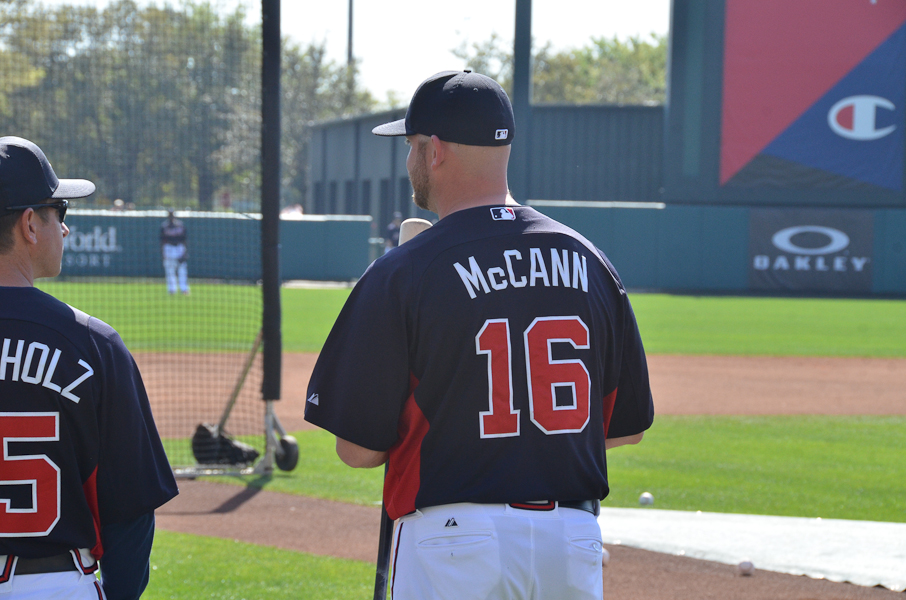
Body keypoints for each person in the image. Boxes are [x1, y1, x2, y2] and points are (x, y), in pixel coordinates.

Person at [304, 71, 655, 599]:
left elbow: (358, 450)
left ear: (435, 151)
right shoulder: (591, 262)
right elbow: (626, 429)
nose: (408, 163)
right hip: (572, 542)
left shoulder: (406, 271)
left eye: (410, 147)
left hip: (452, 546)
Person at [0, 136, 179, 599]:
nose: (64, 229)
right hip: (54, 585)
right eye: (61, 212)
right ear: (29, 225)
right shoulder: (94, 344)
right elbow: (130, 514)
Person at [160, 209, 189, 295]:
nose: (171, 216)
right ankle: (172, 289)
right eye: (170, 214)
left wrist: (185, 251)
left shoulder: (180, 225)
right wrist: (163, 253)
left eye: (172, 214)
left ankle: (184, 289)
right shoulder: (164, 226)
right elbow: (162, 241)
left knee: (182, 269)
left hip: (179, 248)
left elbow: (184, 240)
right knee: (170, 270)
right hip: (168, 248)